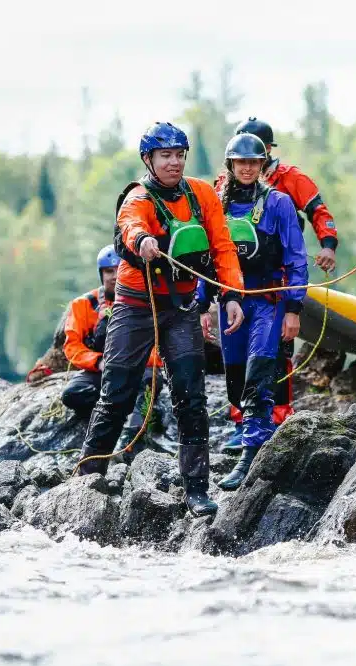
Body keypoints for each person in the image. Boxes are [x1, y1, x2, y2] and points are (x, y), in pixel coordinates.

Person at [73, 121, 245, 518]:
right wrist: (142, 241)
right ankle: (87, 475)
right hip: (135, 308)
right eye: (165, 155)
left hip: (181, 310)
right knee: (116, 393)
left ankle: (197, 490)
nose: (174, 162)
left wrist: (231, 296)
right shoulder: (138, 197)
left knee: (191, 396)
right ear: (148, 160)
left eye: (179, 155)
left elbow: (222, 247)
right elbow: (129, 225)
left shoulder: (202, 195)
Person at [214, 117, 339, 448]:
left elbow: (319, 211)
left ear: (267, 152)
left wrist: (328, 244)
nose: (249, 161)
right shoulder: (222, 189)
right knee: (237, 358)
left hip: (277, 281)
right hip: (235, 287)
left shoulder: (290, 181)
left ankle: (277, 415)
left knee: (272, 352)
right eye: (241, 156)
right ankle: (242, 420)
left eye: (257, 152)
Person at [198, 132, 308, 490]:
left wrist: (294, 309)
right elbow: (207, 258)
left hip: (269, 300)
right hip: (231, 302)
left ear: (263, 164)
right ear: (230, 165)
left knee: (259, 374)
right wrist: (202, 305)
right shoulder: (217, 205)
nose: (247, 167)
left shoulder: (278, 203)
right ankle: (249, 435)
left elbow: (296, 258)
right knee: (235, 380)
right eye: (240, 162)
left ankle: (250, 456)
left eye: (253, 162)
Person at [60, 245, 164, 460]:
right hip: (101, 370)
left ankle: (130, 439)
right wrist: (97, 362)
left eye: (119, 269)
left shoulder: (147, 302)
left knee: (151, 381)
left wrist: (129, 362)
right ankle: (112, 413)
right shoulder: (83, 305)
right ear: (101, 274)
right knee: (72, 394)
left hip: (137, 370)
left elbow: (159, 350)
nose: (115, 276)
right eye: (109, 271)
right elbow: (72, 346)